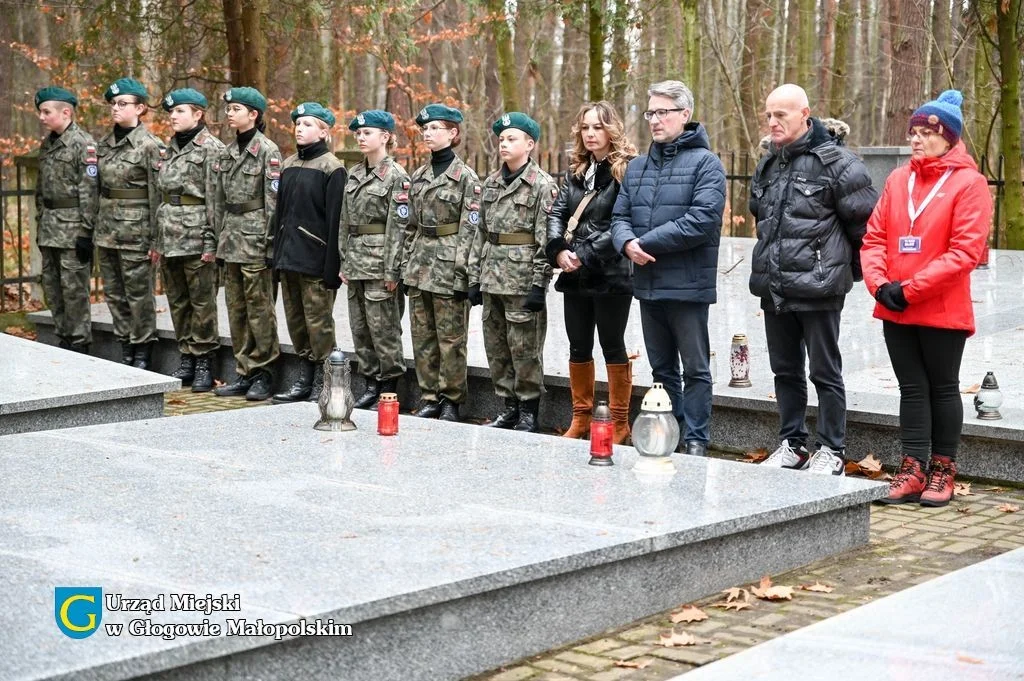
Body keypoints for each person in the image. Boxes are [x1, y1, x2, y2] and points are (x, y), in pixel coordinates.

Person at [862, 90, 991, 506]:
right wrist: (879, 285)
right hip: (894, 304)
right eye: (913, 132)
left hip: (940, 306)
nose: (916, 139)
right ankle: (913, 467)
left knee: (942, 387)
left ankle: (942, 469)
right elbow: (875, 237)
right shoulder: (900, 180)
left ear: (949, 138)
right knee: (911, 389)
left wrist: (911, 288)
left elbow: (965, 251)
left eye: (927, 132)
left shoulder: (969, 184)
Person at [751, 84, 878, 475]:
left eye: (781, 115)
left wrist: (842, 275)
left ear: (805, 114)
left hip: (820, 288)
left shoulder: (838, 163)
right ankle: (792, 444)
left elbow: (867, 227)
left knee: (824, 371)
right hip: (775, 287)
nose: (772, 122)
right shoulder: (769, 163)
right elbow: (762, 217)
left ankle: (832, 449)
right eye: (769, 115)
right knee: (784, 370)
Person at [610, 81, 726, 457]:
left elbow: (702, 221)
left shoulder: (707, 164)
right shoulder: (638, 167)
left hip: (688, 286)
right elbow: (620, 216)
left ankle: (695, 439)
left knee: (694, 369)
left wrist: (645, 244)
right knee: (662, 371)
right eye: (651, 113)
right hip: (648, 284)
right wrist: (626, 243)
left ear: (684, 115)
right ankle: (669, 434)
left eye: (663, 112)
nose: (655, 120)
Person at [546, 101, 637, 444]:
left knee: (612, 345)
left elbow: (621, 223)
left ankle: (619, 423)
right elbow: (556, 213)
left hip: (611, 273)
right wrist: (558, 250)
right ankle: (580, 419)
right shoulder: (576, 170)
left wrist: (582, 254)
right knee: (578, 345)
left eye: (598, 127)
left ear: (611, 130)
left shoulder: (626, 170)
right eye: (585, 128)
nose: (591, 134)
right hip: (574, 273)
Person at [467, 112, 558, 433]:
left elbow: (546, 240)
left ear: (530, 145)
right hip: (492, 278)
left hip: (521, 282)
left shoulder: (542, 186)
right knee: (497, 348)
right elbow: (480, 234)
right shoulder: (490, 183)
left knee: (525, 350)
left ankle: (529, 411)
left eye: (512, 139)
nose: (504, 144)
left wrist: (539, 284)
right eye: (502, 139)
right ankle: (508, 406)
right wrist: (474, 278)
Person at [402, 104, 479, 422]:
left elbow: (470, 230)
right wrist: (406, 266)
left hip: (449, 268)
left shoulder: (466, 179)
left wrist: (464, 274)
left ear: (453, 133)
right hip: (420, 267)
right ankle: (430, 395)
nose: (428, 133)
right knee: (422, 337)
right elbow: (410, 227)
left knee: (451, 340)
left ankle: (450, 400)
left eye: (435, 128)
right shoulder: (418, 177)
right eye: (426, 129)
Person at [269, 102, 346, 403]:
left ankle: (325, 382)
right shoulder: (288, 165)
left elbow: (335, 220)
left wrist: (331, 267)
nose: (300, 129)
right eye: (298, 124)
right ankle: (305, 376)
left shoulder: (332, 168)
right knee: (297, 322)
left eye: (308, 124)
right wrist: (276, 257)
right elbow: (280, 215)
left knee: (319, 324)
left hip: (314, 259)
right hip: (289, 258)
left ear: (324, 131)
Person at [211, 87, 282, 402]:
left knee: (259, 310)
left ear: (253, 114)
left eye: (236, 109)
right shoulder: (227, 152)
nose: (229, 113)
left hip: (255, 239)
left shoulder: (267, 151)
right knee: (236, 309)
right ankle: (243, 371)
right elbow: (220, 200)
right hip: (232, 238)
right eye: (228, 109)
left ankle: (264, 373)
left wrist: (269, 245)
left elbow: (273, 202)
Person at [153, 88, 225, 392]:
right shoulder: (168, 148)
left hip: (197, 236)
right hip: (169, 236)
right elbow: (161, 196)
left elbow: (215, 201)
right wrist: (157, 240)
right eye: (171, 112)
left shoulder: (212, 149)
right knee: (178, 301)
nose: (173, 116)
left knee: (202, 302)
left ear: (198, 114)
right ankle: (186, 356)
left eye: (180, 111)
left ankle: (205, 360)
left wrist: (212, 243)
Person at [339, 110, 410, 410]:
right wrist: (344, 260)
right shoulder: (354, 174)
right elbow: (345, 221)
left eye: (367, 132)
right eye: (358, 133)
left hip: (381, 263)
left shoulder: (396, 177)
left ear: (385, 137)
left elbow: (399, 227)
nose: (361, 137)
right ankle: (369, 381)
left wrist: (392, 269)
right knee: (360, 328)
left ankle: (388, 387)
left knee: (384, 329)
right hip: (356, 263)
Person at [95, 77, 164, 369]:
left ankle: (142, 349)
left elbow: (158, 196)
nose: (115, 108)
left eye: (122, 103)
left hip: (136, 233)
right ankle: (125, 344)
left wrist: (156, 241)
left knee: (139, 295)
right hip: (107, 231)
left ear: (140, 108)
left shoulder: (150, 146)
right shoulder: (104, 144)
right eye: (113, 103)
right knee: (114, 293)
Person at [33, 86, 98, 355]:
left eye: (46, 112)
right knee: (53, 287)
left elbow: (90, 190)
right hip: (50, 228)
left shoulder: (83, 143)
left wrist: (85, 231)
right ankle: (63, 340)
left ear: (66, 112)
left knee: (74, 291)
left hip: (72, 230)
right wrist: (40, 220)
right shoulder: (48, 144)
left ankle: (80, 343)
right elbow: (41, 189)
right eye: (40, 111)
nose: (42, 117)